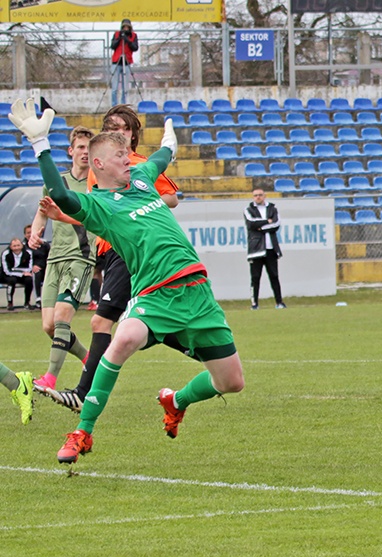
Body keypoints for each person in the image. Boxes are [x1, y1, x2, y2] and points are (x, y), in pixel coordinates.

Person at [9, 97, 245, 464]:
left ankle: (176, 400)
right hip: (155, 293)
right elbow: (58, 194)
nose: (128, 159)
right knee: (124, 339)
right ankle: (81, 432)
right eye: (121, 156)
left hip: (198, 293)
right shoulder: (98, 205)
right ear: (99, 163)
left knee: (232, 382)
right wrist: (40, 144)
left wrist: (170, 141)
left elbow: (162, 158)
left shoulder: (141, 179)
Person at [39, 105, 182, 412]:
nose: (117, 132)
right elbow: (95, 213)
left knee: (101, 320)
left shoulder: (139, 167)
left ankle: (82, 395)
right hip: (109, 249)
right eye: (111, 126)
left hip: (127, 249)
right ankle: (207, 351)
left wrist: (139, 205)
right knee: (148, 322)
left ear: (133, 135)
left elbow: (171, 197)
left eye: (122, 128)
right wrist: (62, 216)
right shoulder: (99, 171)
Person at [28, 126, 97, 395]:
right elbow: (42, 213)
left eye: (89, 149)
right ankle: (90, 358)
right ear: (71, 151)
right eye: (80, 147)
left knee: (61, 319)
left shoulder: (95, 186)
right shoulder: (56, 182)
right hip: (55, 259)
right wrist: (36, 231)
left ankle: (50, 378)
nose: (84, 153)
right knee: (48, 325)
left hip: (80, 258)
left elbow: (94, 219)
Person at [244, 188, 286, 310]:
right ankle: (254, 304)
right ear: (253, 197)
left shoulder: (272, 209)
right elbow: (251, 224)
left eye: (260, 195)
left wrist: (261, 228)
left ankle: (279, 302)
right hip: (255, 249)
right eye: (255, 195)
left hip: (271, 248)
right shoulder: (248, 210)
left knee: (274, 276)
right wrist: (266, 222)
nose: (258, 197)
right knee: (255, 278)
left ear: (265, 196)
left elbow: (276, 224)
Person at [110, 19, 138, 106]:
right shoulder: (117, 34)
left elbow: (135, 47)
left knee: (125, 87)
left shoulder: (133, 36)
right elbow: (112, 46)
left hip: (126, 62)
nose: (125, 29)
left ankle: (123, 104)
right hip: (116, 62)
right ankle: (114, 104)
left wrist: (127, 40)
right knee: (114, 86)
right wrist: (119, 39)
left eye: (127, 27)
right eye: (124, 27)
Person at [2, 238, 34, 311]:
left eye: (18, 245)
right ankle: (10, 303)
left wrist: (15, 269)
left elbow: (29, 268)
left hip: (23, 274)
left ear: (22, 246)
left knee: (29, 280)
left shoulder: (28, 253)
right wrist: (21, 273)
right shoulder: (6, 253)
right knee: (12, 280)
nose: (16, 248)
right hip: (7, 275)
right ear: (10, 247)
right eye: (14, 246)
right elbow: (7, 271)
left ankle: (27, 303)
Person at [24, 224, 49, 306]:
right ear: (25, 234)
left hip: (45, 267)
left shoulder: (44, 244)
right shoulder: (23, 246)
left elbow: (49, 257)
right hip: (31, 270)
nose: (30, 234)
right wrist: (31, 267)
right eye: (28, 233)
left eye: (32, 232)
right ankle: (38, 299)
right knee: (36, 274)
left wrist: (41, 266)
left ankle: (50, 299)